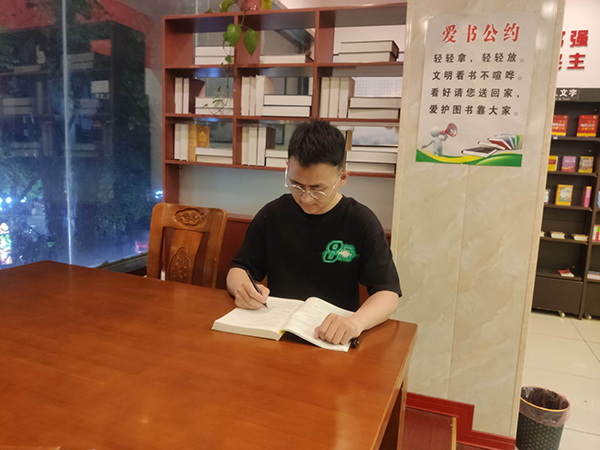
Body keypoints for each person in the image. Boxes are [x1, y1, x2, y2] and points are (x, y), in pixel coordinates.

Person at [226, 120, 401, 346]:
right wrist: (243, 290)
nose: (306, 198)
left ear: (342, 178)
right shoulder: (273, 214)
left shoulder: (361, 222)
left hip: (333, 339)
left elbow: (388, 293)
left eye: (318, 189)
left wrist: (356, 322)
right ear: (288, 167)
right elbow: (239, 269)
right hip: (277, 335)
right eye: (297, 185)